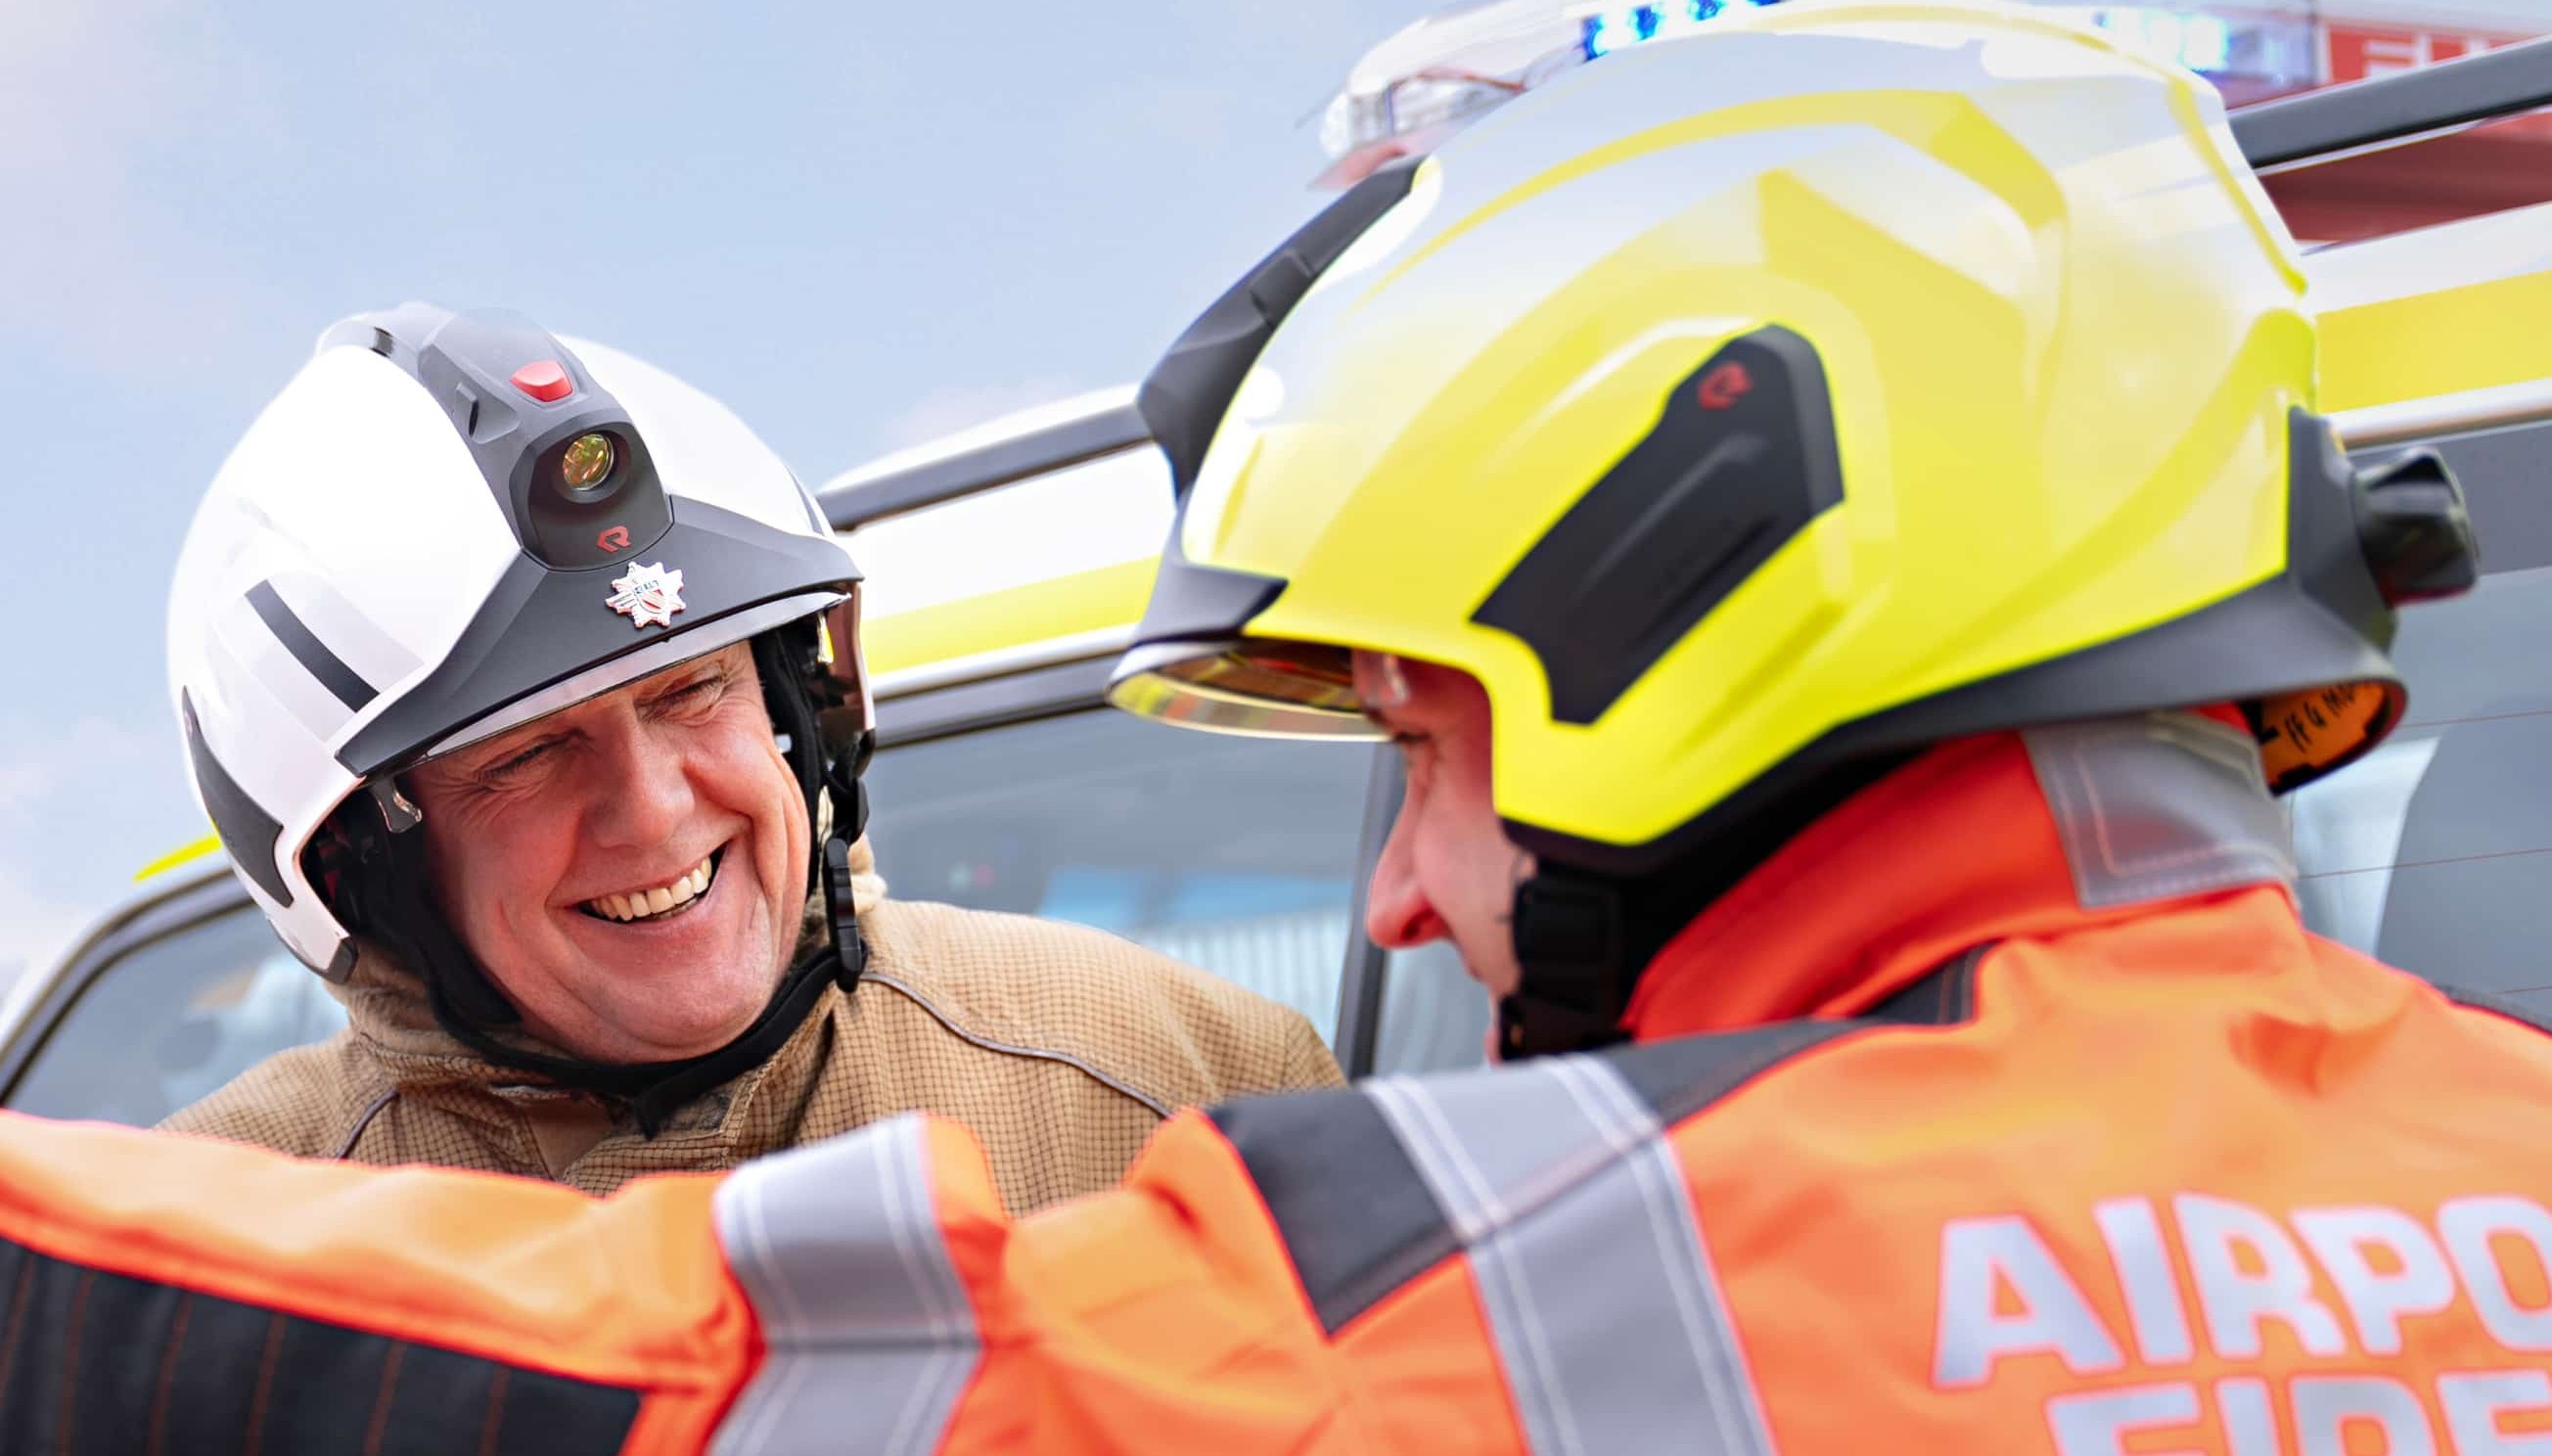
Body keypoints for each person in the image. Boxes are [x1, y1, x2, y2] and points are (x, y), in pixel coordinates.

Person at [3, 6, 2543, 1452]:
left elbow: (704, 1370)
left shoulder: (1481, 1249)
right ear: (368, 872)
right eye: (538, 750)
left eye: (1425, 742)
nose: (1403, 900)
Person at [154, 301, 1339, 1213]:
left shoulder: (1183, 1084)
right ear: (358, 862)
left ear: (800, 707)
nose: (654, 813)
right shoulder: (207, 1254)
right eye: (527, 753)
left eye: (691, 691)